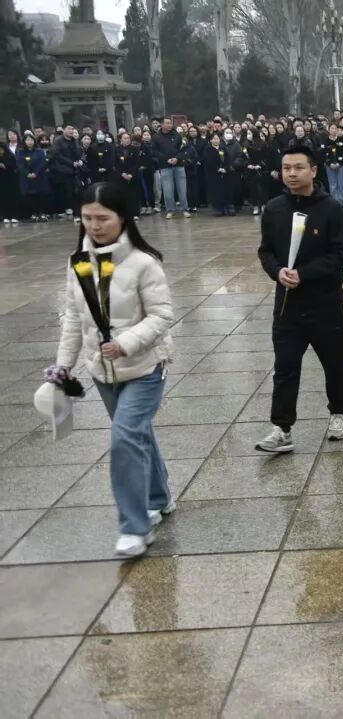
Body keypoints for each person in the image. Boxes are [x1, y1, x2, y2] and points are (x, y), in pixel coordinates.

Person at [53, 181, 175, 557]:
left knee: (124, 438)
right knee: (136, 434)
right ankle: (159, 497)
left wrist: (127, 342)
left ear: (123, 218)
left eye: (102, 218)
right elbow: (74, 318)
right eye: (87, 217)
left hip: (144, 367)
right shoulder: (77, 263)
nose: (94, 225)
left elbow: (162, 315)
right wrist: (62, 367)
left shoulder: (143, 263)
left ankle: (134, 527)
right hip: (101, 371)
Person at [256, 145, 343, 452]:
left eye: (299, 168)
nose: (292, 174)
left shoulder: (331, 209)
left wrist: (306, 273)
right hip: (287, 305)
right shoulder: (273, 209)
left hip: (324, 302)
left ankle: (338, 413)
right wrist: (277, 272)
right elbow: (266, 251)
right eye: (286, 168)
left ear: (313, 171)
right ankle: (282, 428)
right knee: (285, 365)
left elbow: (342, 254)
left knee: (334, 361)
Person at [151, 117, 190, 219]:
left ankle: (185, 209)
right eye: (167, 123)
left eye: (170, 123)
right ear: (162, 125)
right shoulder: (156, 137)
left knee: (182, 189)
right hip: (165, 166)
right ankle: (170, 210)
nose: (170, 125)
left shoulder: (177, 135)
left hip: (179, 165)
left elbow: (183, 149)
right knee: (168, 190)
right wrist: (166, 159)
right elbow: (154, 152)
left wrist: (177, 158)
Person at [16, 135, 50, 222]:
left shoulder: (39, 151)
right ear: (24, 142)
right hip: (27, 178)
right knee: (30, 196)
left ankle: (42, 213)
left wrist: (36, 173)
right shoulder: (21, 152)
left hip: (39, 177)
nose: (29, 142)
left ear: (34, 141)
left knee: (41, 195)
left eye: (31, 140)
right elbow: (20, 164)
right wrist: (27, 173)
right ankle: (33, 214)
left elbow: (43, 163)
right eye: (27, 140)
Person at [113, 132, 143, 218]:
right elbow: (115, 163)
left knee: (133, 194)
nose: (127, 140)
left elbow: (137, 163)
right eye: (125, 138)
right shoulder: (117, 149)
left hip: (133, 175)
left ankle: (135, 213)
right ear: (120, 140)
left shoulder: (135, 149)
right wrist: (122, 173)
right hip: (121, 175)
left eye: (128, 138)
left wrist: (131, 174)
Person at [0, 139, 19, 224]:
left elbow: (14, 166)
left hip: (10, 180)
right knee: (3, 199)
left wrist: (5, 165)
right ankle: (5, 215)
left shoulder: (10, 156)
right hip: (1, 182)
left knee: (12, 198)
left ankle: (14, 215)